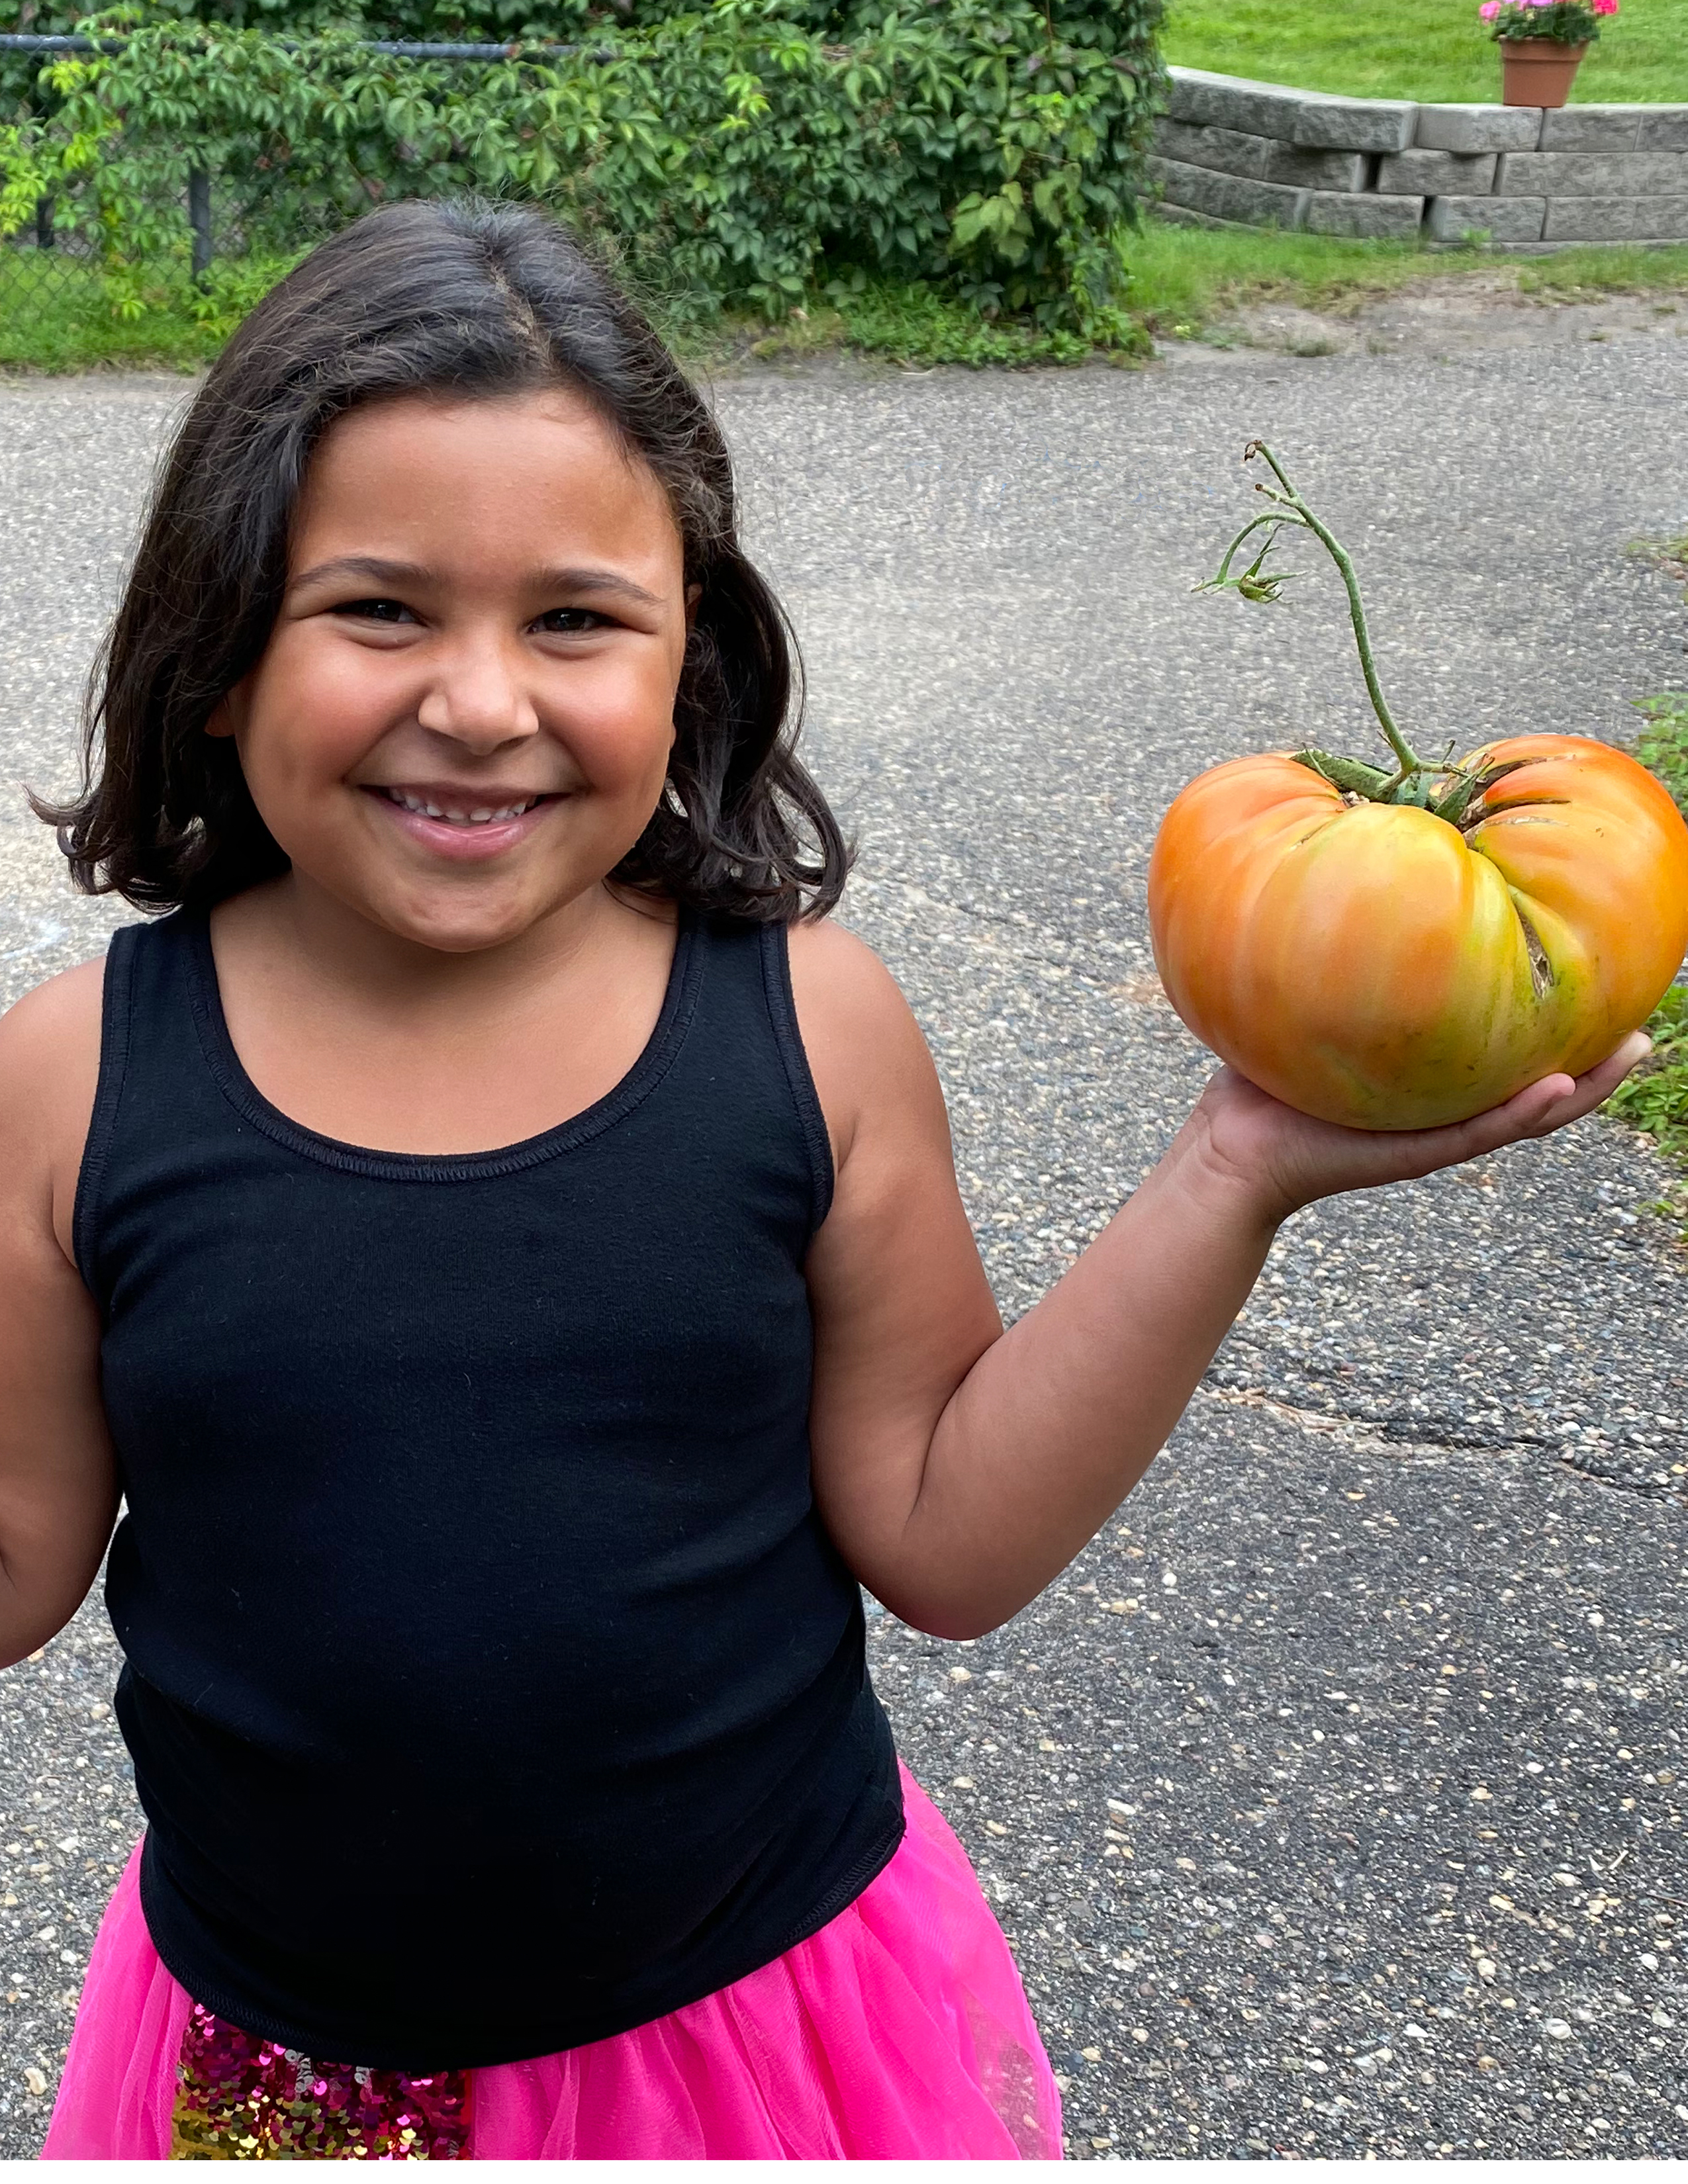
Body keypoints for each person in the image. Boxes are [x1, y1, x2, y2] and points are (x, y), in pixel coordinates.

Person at [0, 199, 1644, 2163]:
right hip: (282, 2075)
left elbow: (946, 1535)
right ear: (216, 652)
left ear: (689, 653)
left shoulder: (809, 1030)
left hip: (751, 2058)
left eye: (575, 619)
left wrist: (1237, 1166)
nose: (482, 700)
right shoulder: (79, 1077)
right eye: (378, 608)